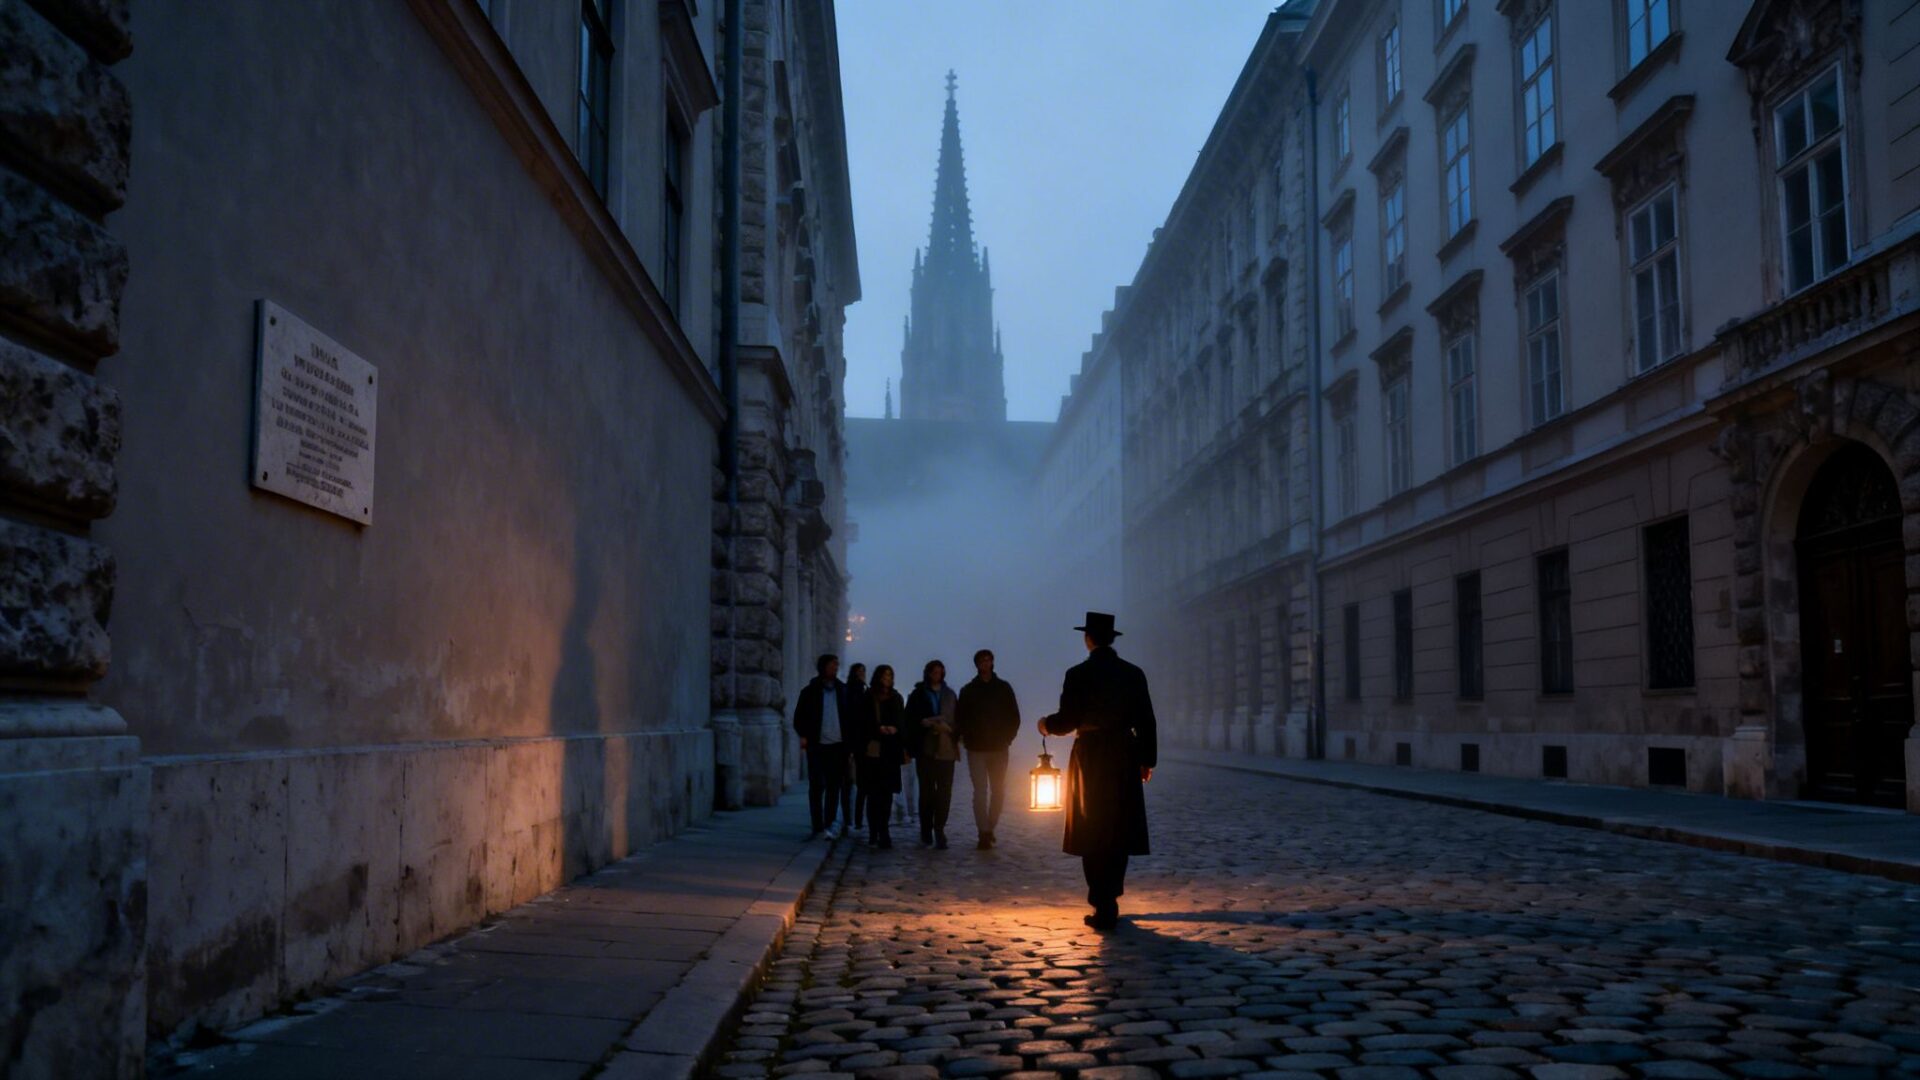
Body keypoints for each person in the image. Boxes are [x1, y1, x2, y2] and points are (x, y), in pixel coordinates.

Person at [1038, 612, 1157, 930]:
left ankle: (1101, 901)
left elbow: (1068, 719)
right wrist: (1147, 761)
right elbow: (1146, 720)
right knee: (1118, 827)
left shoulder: (1078, 674)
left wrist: (1046, 725)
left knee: (1091, 827)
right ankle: (1111, 896)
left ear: (1088, 639)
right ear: (1112, 639)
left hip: (1090, 757)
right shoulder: (1133, 674)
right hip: (1122, 755)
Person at [955, 648, 1021, 850]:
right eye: (982, 661)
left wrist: (1008, 738)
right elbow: (961, 718)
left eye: (988, 660)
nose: (985, 663)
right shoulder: (968, 691)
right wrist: (966, 738)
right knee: (981, 792)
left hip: (999, 747)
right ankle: (984, 831)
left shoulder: (1003, 688)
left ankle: (989, 828)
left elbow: (1014, 716)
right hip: (976, 748)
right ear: (977, 664)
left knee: (999, 791)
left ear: (992, 662)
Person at [793, 653, 853, 840]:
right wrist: (804, 735)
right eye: (832, 665)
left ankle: (829, 824)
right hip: (817, 746)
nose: (835, 668)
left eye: (836, 665)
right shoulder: (810, 692)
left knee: (834, 787)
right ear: (823, 667)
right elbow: (799, 717)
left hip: (838, 746)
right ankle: (817, 825)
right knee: (817, 786)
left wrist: (850, 744)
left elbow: (852, 718)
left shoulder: (843, 691)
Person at [847, 665, 905, 849]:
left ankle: (884, 830)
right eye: (884, 675)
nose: (887, 678)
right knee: (873, 794)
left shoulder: (896, 698)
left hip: (890, 752)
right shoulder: (868, 698)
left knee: (886, 795)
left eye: (890, 675)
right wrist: (877, 729)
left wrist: (895, 729)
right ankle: (874, 831)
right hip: (871, 752)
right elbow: (860, 723)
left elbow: (901, 721)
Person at [904, 659, 959, 849]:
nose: (937, 675)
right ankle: (926, 829)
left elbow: (957, 720)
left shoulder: (950, 695)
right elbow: (909, 720)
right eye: (933, 672)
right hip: (925, 749)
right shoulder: (918, 695)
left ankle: (939, 828)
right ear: (928, 673)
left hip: (946, 749)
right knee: (927, 792)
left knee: (944, 793)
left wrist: (949, 728)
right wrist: (924, 723)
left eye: (940, 672)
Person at [844, 663, 868, 834]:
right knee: (856, 784)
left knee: (856, 785)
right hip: (854, 743)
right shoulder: (856, 692)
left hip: (856, 743)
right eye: (859, 672)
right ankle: (854, 819)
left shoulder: (856, 691)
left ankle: (853, 819)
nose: (861, 675)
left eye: (863, 672)